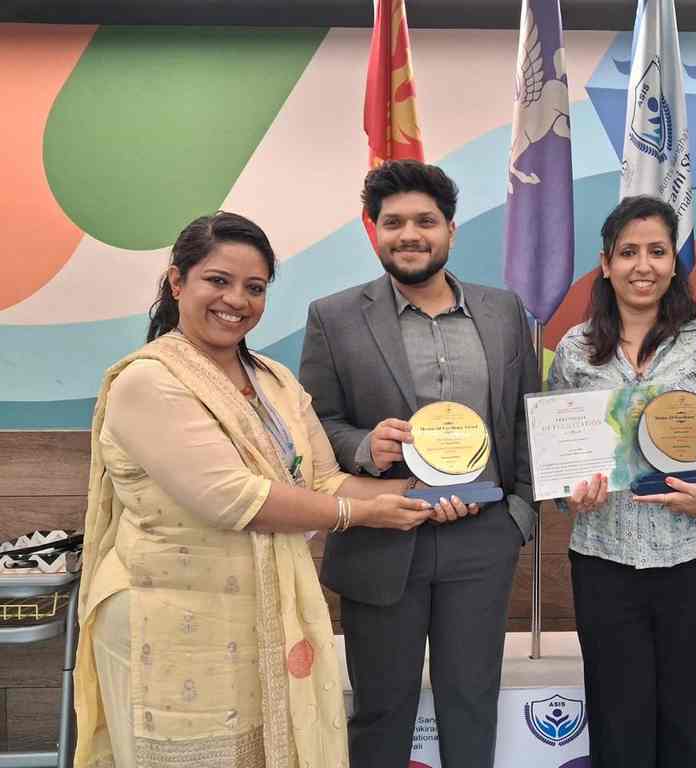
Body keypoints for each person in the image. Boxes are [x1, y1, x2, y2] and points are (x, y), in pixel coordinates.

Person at [74, 212, 436, 768]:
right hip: (168, 625)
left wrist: (423, 491)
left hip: (262, 622)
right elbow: (233, 498)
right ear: (178, 283)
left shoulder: (273, 379)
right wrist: (361, 514)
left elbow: (323, 479)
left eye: (255, 287)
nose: (236, 300)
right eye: (218, 281)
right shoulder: (150, 381)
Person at [299, 160, 539, 768]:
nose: (410, 234)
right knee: (381, 710)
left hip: (482, 538)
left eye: (425, 221)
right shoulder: (333, 316)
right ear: (373, 231)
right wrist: (363, 446)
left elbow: (526, 417)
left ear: (450, 230)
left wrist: (517, 515)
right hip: (381, 535)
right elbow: (314, 424)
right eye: (394, 222)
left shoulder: (504, 312)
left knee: (472, 703)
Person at [547, 196, 696, 768]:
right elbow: (559, 460)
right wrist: (571, 494)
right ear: (605, 264)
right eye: (628, 253)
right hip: (605, 563)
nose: (642, 266)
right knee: (619, 728)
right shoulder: (574, 349)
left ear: (674, 262)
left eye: (657, 251)